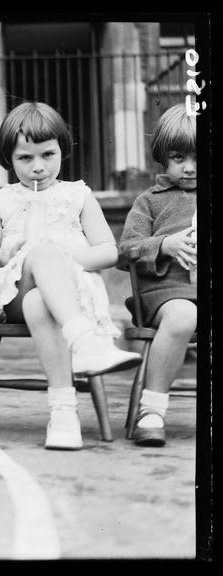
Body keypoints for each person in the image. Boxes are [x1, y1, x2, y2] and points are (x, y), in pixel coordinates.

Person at [0, 101, 142, 450]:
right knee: (40, 255)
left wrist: (63, 260)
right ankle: (85, 341)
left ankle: (64, 414)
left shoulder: (78, 196)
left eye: (47, 155)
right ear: (8, 158)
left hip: (68, 295)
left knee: (45, 299)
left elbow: (109, 250)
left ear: (62, 150)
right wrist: (5, 253)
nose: (38, 167)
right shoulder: (0, 201)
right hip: (15, 296)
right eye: (25, 158)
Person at [118, 103, 197, 447]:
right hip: (165, 295)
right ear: (164, 158)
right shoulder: (150, 201)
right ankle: (152, 409)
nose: (190, 167)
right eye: (180, 157)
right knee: (183, 315)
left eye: (198, 156)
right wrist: (164, 244)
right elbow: (125, 251)